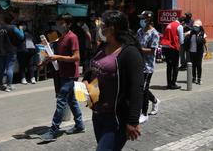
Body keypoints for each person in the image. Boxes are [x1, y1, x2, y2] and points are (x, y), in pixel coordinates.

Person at [84, 10, 144, 151]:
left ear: (112, 28)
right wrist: (86, 81)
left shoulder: (130, 53)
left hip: (116, 118)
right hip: (97, 114)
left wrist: (133, 121)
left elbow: (137, 88)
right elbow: (90, 67)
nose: (100, 27)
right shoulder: (102, 47)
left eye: (102, 24)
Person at [38, 13, 85, 143]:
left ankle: (53, 130)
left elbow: (76, 57)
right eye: (58, 23)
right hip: (62, 73)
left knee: (61, 101)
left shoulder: (72, 37)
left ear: (69, 24)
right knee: (72, 101)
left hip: (70, 75)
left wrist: (57, 58)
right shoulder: (60, 38)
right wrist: (45, 61)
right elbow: (54, 55)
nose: (59, 25)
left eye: (62, 23)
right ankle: (80, 125)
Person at [136, 11, 161, 124]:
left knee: (143, 89)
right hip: (138, 64)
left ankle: (144, 113)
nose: (141, 20)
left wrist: (138, 49)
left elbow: (152, 50)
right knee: (141, 87)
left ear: (149, 20)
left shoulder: (154, 33)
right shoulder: (140, 31)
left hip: (147, 66)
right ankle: (155, 100)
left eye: (143, 18)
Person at [0, 12, 24, 92]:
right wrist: (21, 29)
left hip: (0, 50)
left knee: (2, 67)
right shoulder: (13, 27)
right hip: (11, 50)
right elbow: (21, 36)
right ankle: (9, 86)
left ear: (4, 20)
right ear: (12, 20)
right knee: (9, 67)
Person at [160, 16, 184, 89]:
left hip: (166, 47)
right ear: (182, 22)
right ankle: (173, 83)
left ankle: (169, 84)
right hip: (173, 47)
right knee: (175, 66)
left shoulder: (169, 24)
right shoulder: (179, 26)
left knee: (169, 66)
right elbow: (181, 40)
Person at [187, 19, 206, 85]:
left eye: (196, 27)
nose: (195, 28)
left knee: (199, 65)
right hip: (192, 51)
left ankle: (199, 79)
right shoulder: (191, 32)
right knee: (193, 65)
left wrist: (207, 50)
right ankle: (194, 77)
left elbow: (204, 42)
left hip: (199, 52)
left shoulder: (202, 33)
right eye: (194, 26)